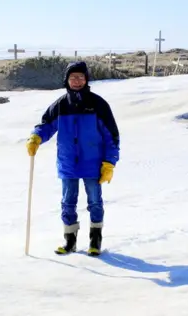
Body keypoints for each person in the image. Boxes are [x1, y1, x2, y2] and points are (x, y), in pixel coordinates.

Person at [26, 61, 120, 256]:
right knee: (67, 202)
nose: (77, 81)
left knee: (95, 201)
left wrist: (109, 162)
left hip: (93, 163)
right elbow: (46, 125)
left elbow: (111, 136)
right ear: (67, 80)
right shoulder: (61, 105)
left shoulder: (98, 104)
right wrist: (36, 137)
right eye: (73, 77)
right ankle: (70, 242)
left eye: (80, 77)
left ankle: (95, 241)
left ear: (86, 79)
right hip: (68, 162)